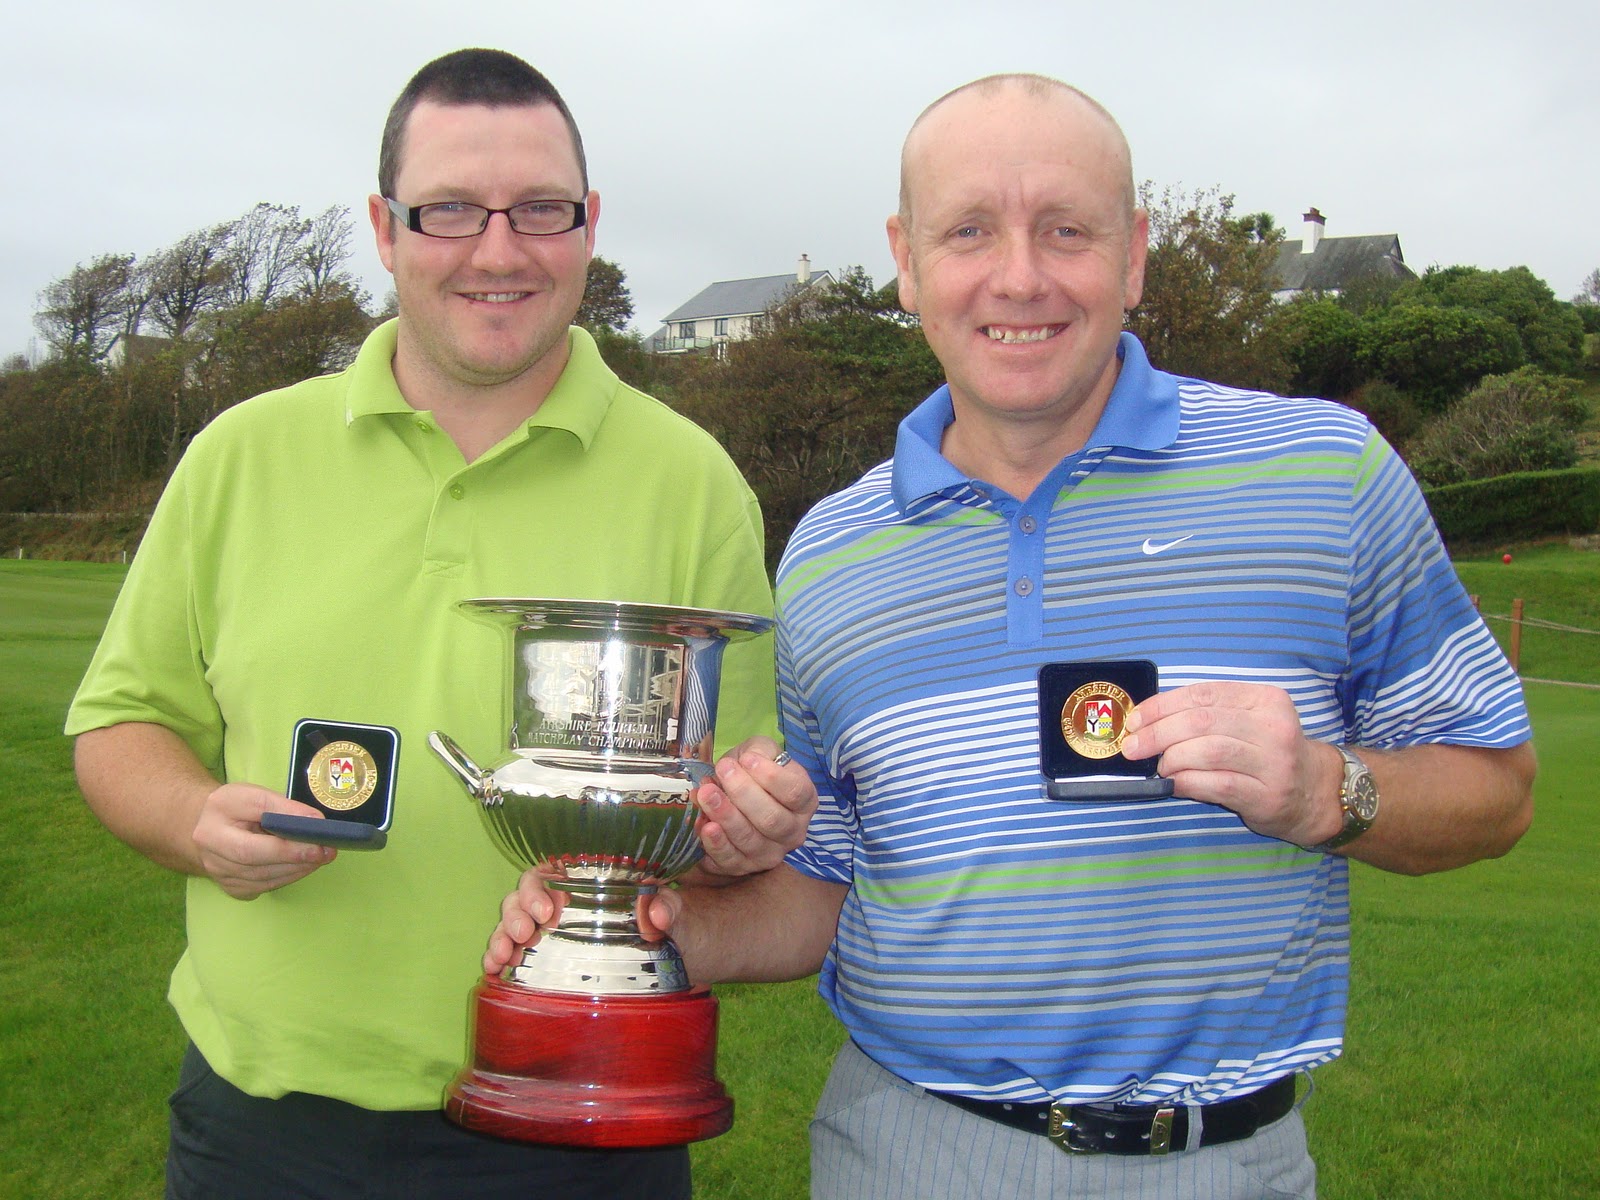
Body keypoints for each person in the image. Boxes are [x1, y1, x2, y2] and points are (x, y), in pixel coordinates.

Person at [491, 74, 1535, 1199]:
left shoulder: (1326, 475)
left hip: (1224, 1164)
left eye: (1067, 231)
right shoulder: (831, 553)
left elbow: (1498, 790)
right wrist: (644, 926)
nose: (1020, 276)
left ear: (1133, 254)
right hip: (906, 1150)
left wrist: (1332, 791)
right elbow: (825, 887)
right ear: (907, 258)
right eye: (969, 230)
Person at [66, 48, 814, 1200]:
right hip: (268, 1118)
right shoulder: (239, 457)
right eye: (451, 210)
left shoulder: (693, 481)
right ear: (384, 226)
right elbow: (120, 723)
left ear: (590, 224)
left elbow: (722, 812)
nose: (498, 249)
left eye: (542, 210)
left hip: (588, 1103)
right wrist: (191, 820)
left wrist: (744, 831)